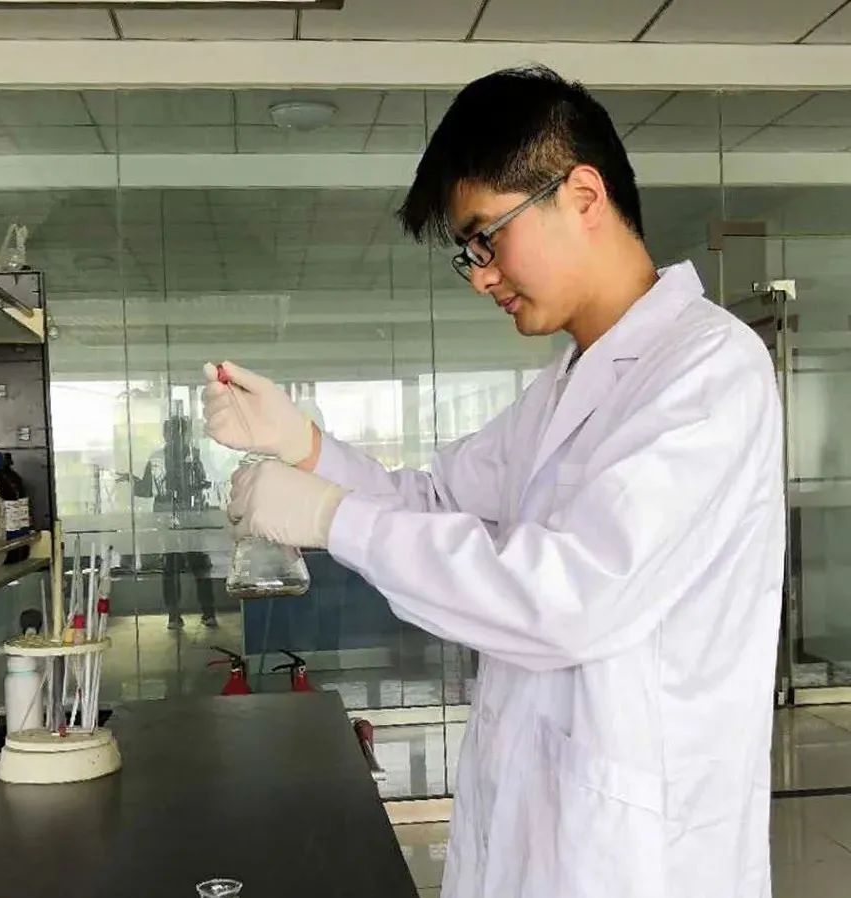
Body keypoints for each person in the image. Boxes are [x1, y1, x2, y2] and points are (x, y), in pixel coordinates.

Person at [204, 66, 784, 898]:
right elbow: (438, 502)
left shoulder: (710, 369)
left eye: (488, 237)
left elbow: (571, 600)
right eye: (468, 253)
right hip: (535, 824)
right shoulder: (565, 386)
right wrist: (304, 445)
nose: (480, 274)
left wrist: (334, 519)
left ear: (583, 196)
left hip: (637, 854)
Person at [134, 413, 218, 630]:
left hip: (176, 517)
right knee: (194, 565)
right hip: (179, 517)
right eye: (174, 432)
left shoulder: (179, 456)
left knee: (177, 566)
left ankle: (178, 615)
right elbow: (204, 483)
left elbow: (146, 490)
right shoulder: (190, 456)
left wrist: (132, 482)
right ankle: (203, 613)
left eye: (176, 433)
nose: (174, 437)